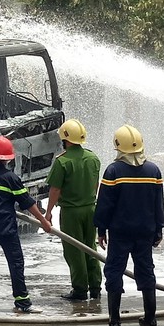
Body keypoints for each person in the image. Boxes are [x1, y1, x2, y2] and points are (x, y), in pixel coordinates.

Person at [94, 125, 164, 326]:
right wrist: (159, 229)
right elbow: (158, 202)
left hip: (120, 232)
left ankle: (114, 320)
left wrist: (101, 230)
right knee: (146, 270)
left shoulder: (113, 171)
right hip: (145, 231)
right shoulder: (153, 170)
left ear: (118, 145)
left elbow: (105, 204)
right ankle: (150, 317)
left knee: (114, 271)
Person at [0, 136, 52, 313]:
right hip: (7, 229)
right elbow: (27, 203)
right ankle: (22, 301)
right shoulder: (11, 178)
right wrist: (43, 221)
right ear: (8, 158)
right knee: (15, 262)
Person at [44, 119, 102, 301]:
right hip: (91, 209)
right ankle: (95, 287)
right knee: (90, 247)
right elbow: (96, 185)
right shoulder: (93, 158)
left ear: (65, 140)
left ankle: (79, 289)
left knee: (74, 250)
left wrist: (48, 212)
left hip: (71, 212)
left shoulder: (62, 162)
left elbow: (55, 190)